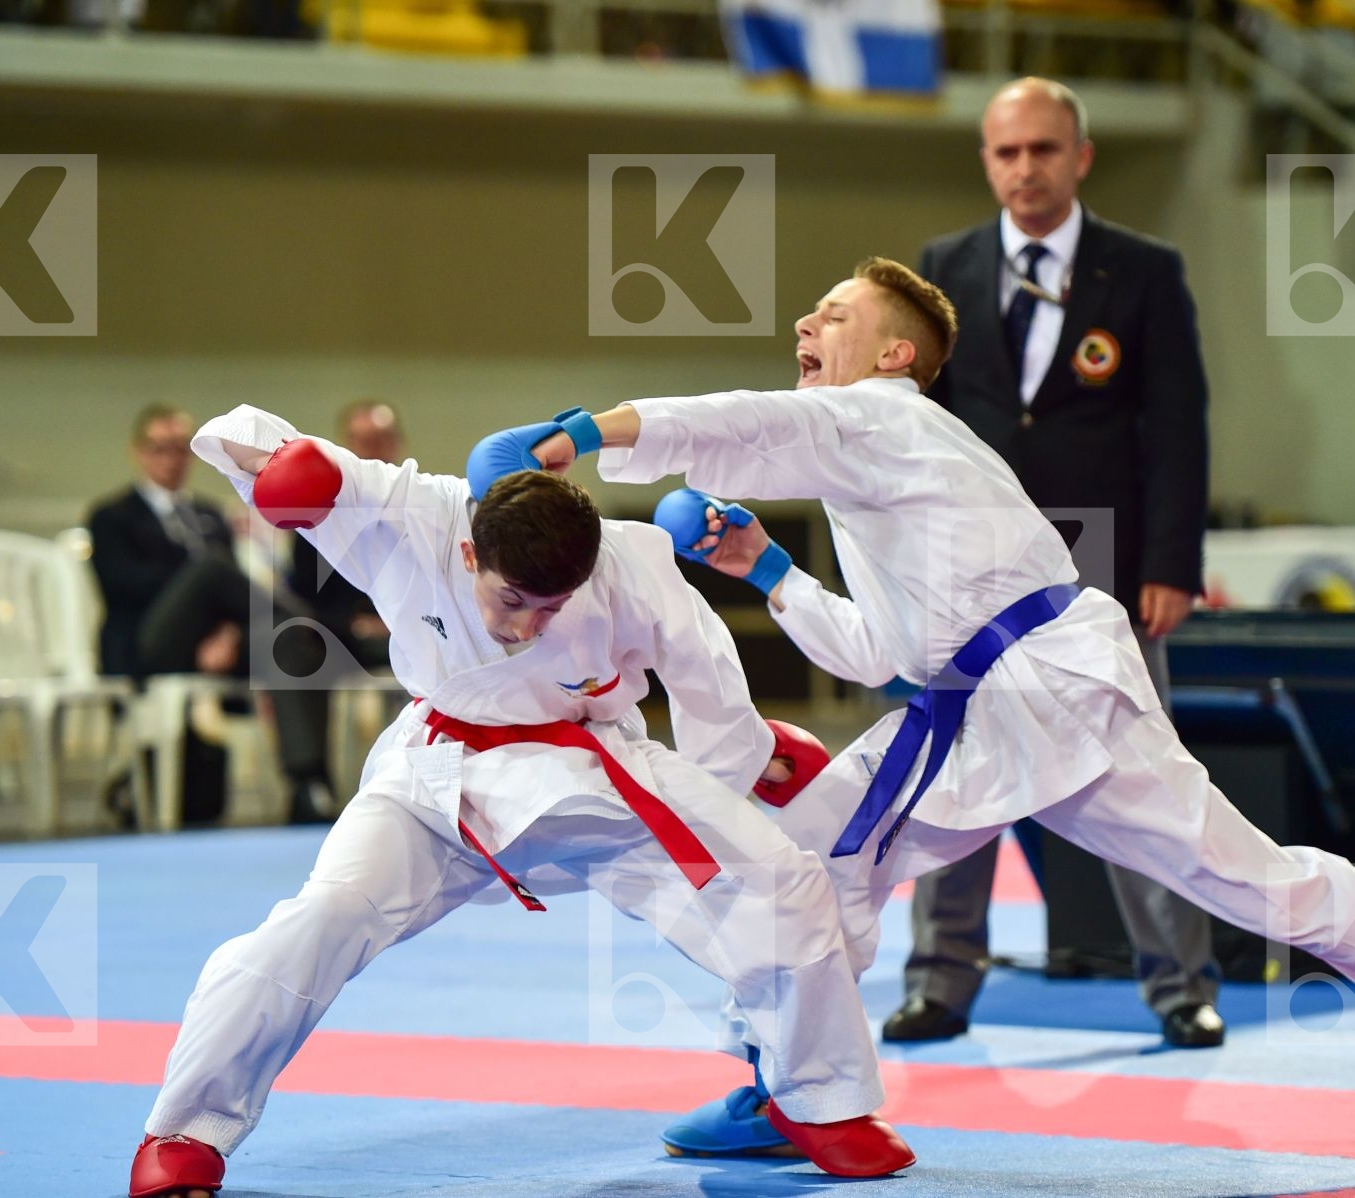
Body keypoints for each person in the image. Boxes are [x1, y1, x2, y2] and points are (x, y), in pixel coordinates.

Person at [469, 257, 1355, 1159]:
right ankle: (786, 1085)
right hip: (982, 707)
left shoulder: (879, 417)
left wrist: (580, 434)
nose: (808, 320)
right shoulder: (869, 468)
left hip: (1051, 691)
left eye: (836, 311)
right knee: (804, 862)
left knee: (1249, 881)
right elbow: (889, 652)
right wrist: (768, 573)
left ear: (894, 352)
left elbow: (739, 425)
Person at [126, 404, 916, 1198]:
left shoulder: (630, 562)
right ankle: (185, 1132)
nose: (530, 626)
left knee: (781, 880)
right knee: (319, 918)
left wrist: (745, 763)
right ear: (470, 550)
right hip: (434, 779)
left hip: (594, 769)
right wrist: (293, 469)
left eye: (552, 607)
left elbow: (705, 675)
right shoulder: (416, 514)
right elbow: (240, 434)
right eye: (512, 602)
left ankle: (818, 1101)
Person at [896, 75, 1223, 1048]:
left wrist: (1170, 559)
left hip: (1106, 565)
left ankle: (1181, 986)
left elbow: (1177, 425)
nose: (1025, 168)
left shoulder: (1144, 271)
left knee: (1144, 780)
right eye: (1007, 151)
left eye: (1044, 149)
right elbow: (916, 427)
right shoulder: (942, 266)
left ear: (1080, 157)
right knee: (955, 777)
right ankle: (940, 981)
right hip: (978, 569)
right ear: (987, 161)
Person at [88, 404, 335, 823]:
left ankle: (308, 784)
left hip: (216, 643)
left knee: (284, 637)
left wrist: (228, 636)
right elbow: (124, 588)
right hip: (149, 642)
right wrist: (202, 612)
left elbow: (230, 597)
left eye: (180, 449)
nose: (171, 459)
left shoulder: (208, 515)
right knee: (212, 569)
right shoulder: (111, 517)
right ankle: (305, 616)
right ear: (139, 452)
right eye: (159, 448)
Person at [283, 401, 402, 820]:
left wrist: (394, 620)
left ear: (396, 445)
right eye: (362, 442)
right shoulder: (315, 509)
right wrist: (354, 624)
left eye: (380, 441)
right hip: (345, 637)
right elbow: (304, 594)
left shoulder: (423, 506)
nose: (371, 451)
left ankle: (429, 785)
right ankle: (310, 783)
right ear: (344, 447)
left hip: (412, 631)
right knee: (293, 644)